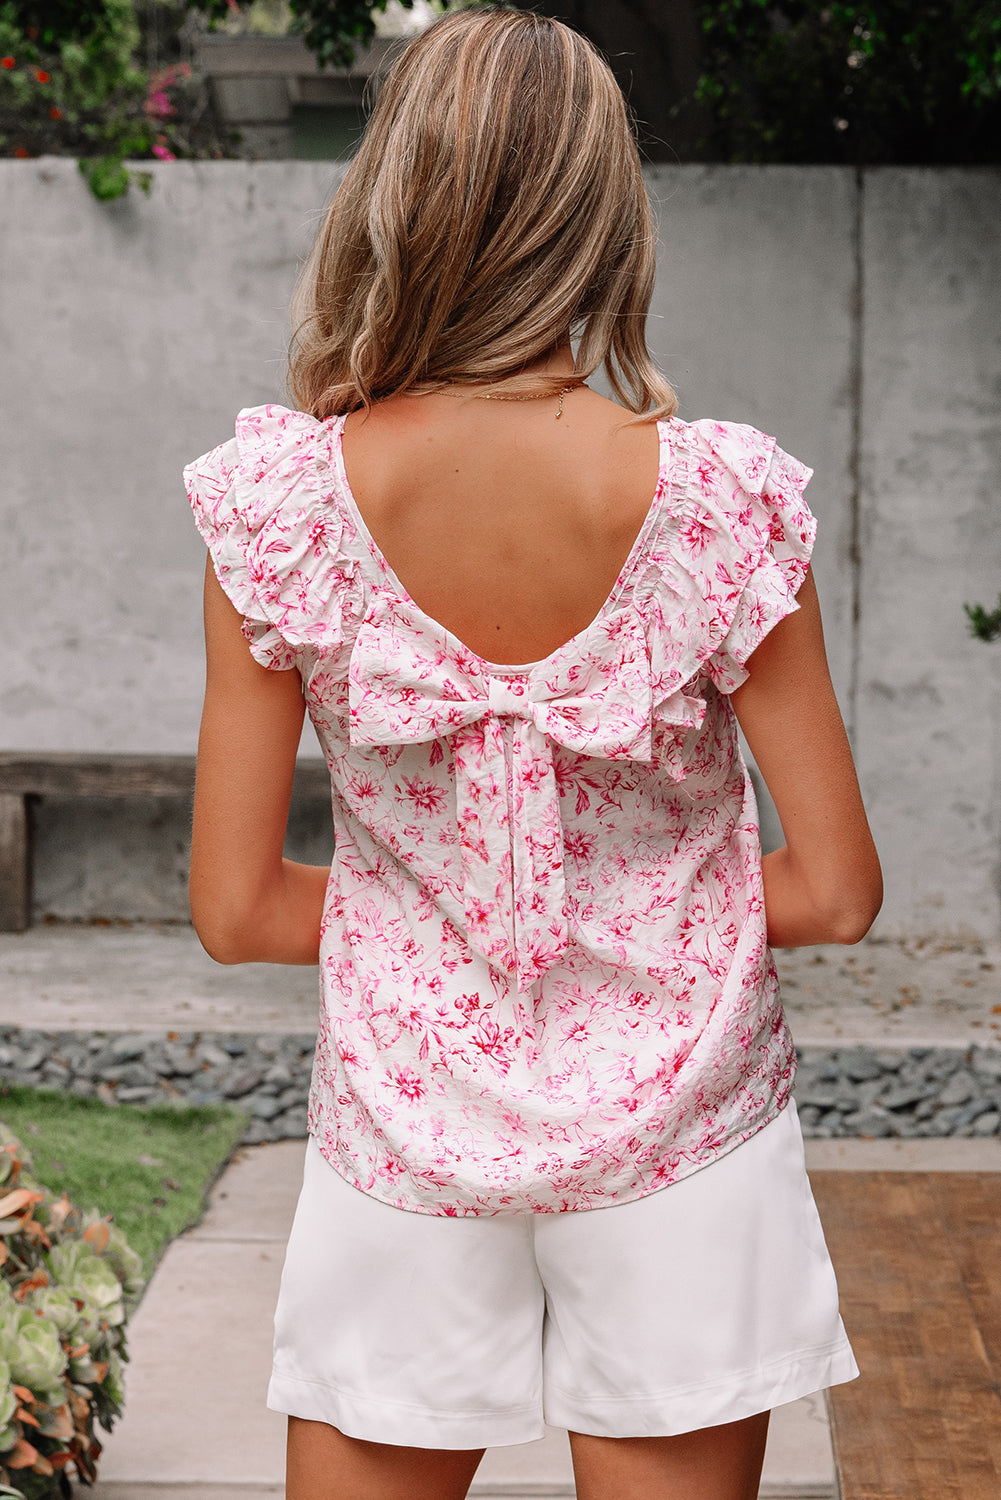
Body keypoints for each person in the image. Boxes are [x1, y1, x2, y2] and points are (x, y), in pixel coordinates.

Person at [183, 8, 883, 1499]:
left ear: (391, 195)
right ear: (605, 216)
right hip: (685, 1138)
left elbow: (235, 911)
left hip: (403, 1135)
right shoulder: (718, 505)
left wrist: (436, 934)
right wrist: (633, 928)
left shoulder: (282, 507)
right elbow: (833, 891)